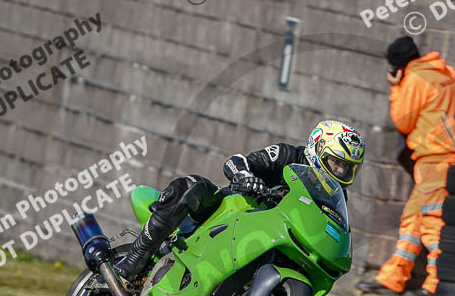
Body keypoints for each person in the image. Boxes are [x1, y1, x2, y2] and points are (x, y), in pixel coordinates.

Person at [113, 120, 365, 282]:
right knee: (192, 185)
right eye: (337, 162)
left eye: (348, 167)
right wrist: (247, 178)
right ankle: (138, 254)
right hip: (232, 211)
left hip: (270, 237)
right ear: (317, 149)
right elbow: (237, 161)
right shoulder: (288, 155)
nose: (341, 172)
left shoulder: (336, 195)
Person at [357, 36, 455, 296]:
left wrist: (396, 87)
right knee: (413, 219)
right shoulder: (444, 71)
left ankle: (436, 284)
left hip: (434, 157)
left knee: (432, 221)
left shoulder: (413, 80)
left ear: (398, 66)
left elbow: (402, 121)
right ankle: (392, 279)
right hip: (452, 155)